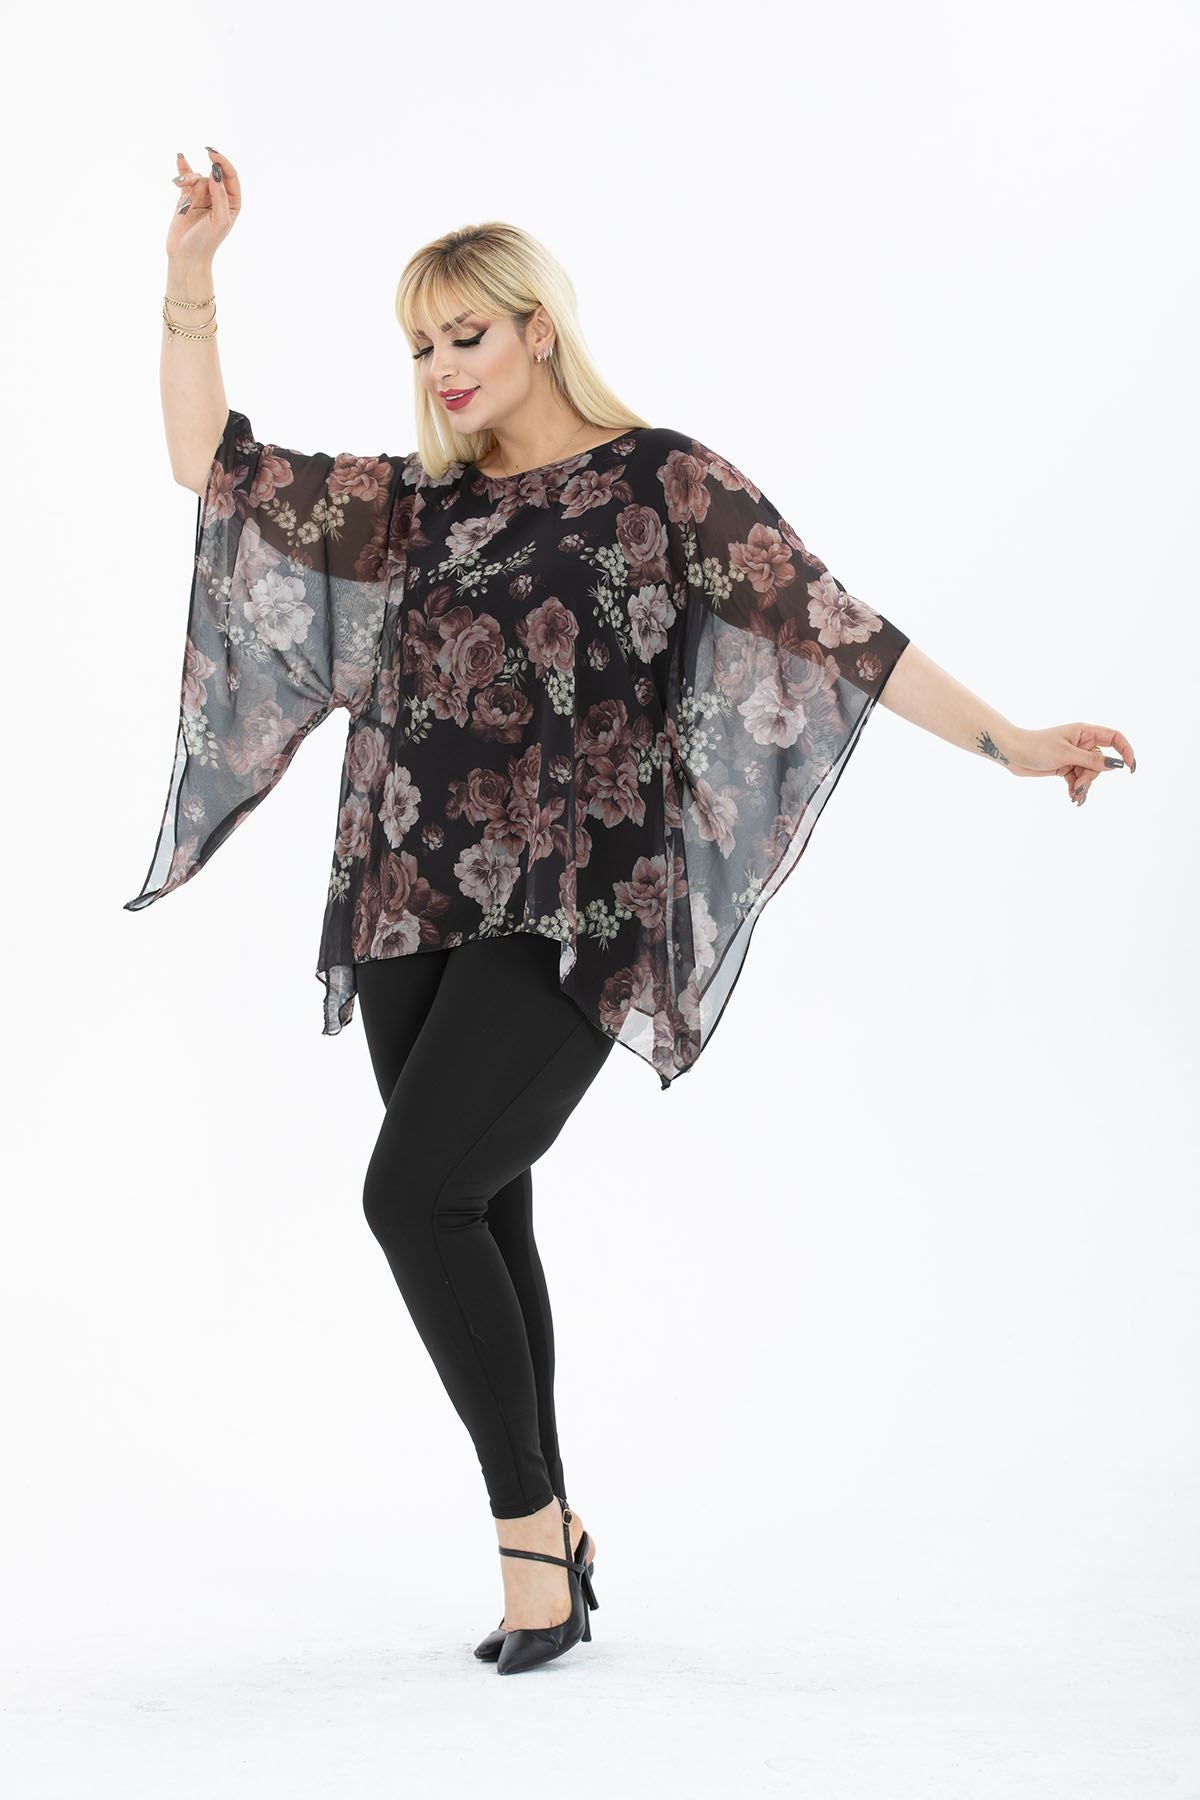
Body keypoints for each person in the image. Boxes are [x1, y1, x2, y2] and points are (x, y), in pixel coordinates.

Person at [126, 148, 1136, 1676]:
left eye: (469, 332)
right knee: (479, 1203)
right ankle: (559, 1531)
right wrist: (191, 277)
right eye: (421, 342)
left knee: (414, 1198)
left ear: (539, 327)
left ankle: (533, 1543)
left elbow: (835, 623)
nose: (443, 366)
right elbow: (210, 465)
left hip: (572, 908)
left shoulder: (663, 482)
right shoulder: (418, 506)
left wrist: (1014, 742)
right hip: (405, 893)